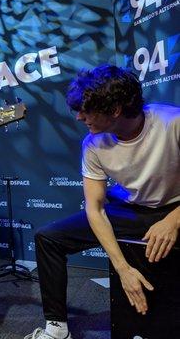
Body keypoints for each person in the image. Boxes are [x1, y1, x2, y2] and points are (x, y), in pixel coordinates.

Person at [25, 65, 180, 339]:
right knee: (48, 238)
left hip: (175, 208)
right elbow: (95, 209)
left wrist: (173, 220)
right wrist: (123, 269)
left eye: (86, 110)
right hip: (134, 209)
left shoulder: (172, 122)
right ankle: (57, 329)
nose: (78, 117)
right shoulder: (93, 143)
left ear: (115, 109)